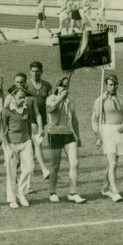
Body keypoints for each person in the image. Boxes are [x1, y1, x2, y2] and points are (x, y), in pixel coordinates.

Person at [45, 76, 86, 204]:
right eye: (62, 85)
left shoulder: (71, 100)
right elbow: (51, 109)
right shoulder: (51, 98)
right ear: (57, 86)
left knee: (74, 163)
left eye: (67, 86)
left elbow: (74, 119)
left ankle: (72, 192)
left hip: (68, 134)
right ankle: (52, 192)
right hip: (55, 134)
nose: (65, 88)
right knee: (55, 166)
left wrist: (77, 136)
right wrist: (61, 98)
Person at [92, 72, 123, 202]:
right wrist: (98, 136)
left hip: (119, 132)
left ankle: (105, 187)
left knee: (111, 164)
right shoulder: (100, 100)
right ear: (106, 86)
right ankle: (115, 191)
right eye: (110, 85)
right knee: (112, 163)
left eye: (114, 85)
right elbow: (94, 119)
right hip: (107, 131)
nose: (112, 87)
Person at [0, 87, 35, 208]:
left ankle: (22, 193)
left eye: (24, 97)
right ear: (13, 97)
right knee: (11, 171)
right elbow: (2, 130)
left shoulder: (27, 109)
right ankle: (12, 198)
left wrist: (31, 142)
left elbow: (29, 126)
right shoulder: (6, 111)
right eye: (20, 97)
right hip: (11, 144)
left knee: (29, 168)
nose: (23, 99)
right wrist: (7, 147)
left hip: (26, 142)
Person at [24, 61, 52, 181]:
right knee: (37, 143)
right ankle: (44, 169)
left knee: (32, 145)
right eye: (33, 71)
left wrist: (50, 121)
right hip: (30, 119)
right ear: (30, 72)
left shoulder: (47, 86)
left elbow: (51, 103)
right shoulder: (26, 86)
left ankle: (25, 167)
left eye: (37, 71)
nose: (35, 74)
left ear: (41, 72)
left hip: (43, 118)